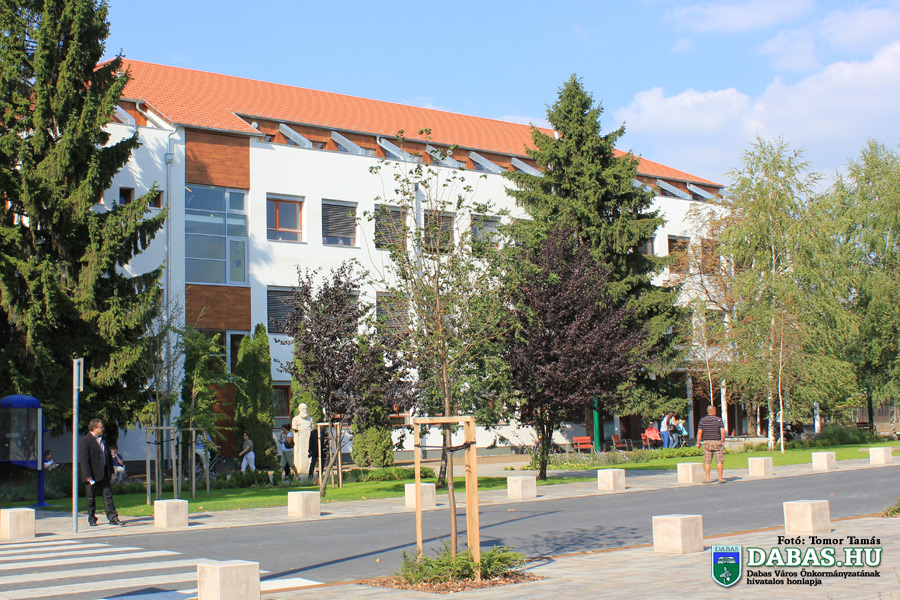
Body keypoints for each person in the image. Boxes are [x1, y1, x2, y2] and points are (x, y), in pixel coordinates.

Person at [77, 418, 123, 526]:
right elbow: (84, 459)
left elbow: (108, 456)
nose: (103, 429)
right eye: (101, 427)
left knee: (108, 495)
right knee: (91, 497)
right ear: (94, 428)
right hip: (92, 474)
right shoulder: (85, 441)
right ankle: (92, 518)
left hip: (104, 473)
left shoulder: (104, 440)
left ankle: (113, 517)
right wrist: (88, 475)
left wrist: (111, 470)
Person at [696, 405, 727, 483]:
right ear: (714, 411)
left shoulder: (702, 420)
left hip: (707, 442)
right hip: (717, 442)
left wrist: (698, 443)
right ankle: (720, 478)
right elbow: (722, 432)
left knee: (707, 461)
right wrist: (722, 441)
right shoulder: (719, 420)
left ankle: (707, 478)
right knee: (719, 461)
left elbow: (699, 432)